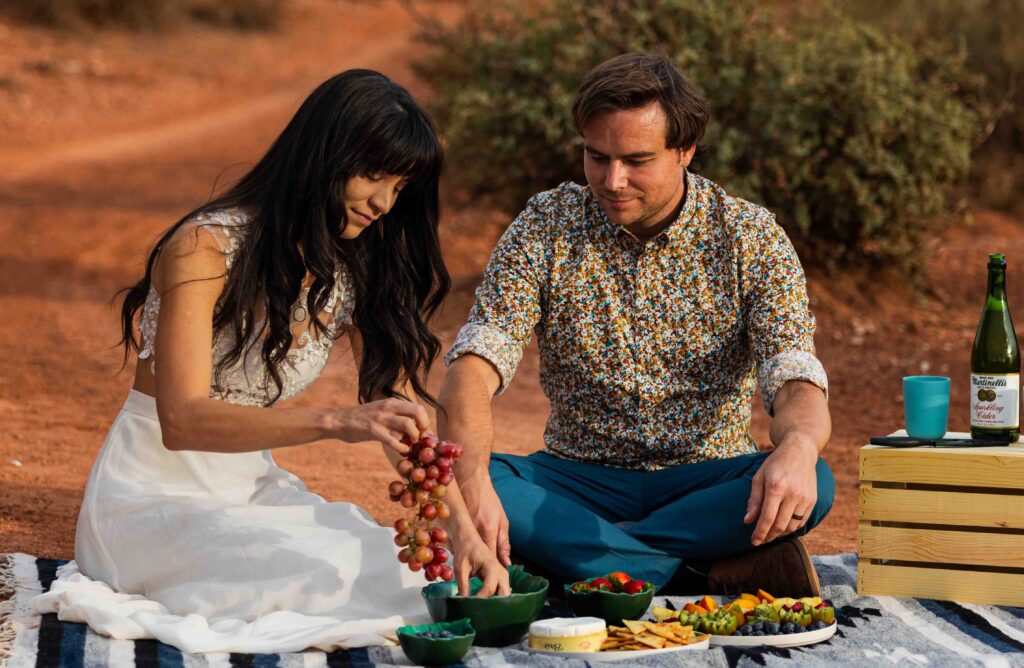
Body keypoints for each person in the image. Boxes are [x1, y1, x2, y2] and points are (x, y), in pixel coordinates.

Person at [33, 69, 508, 654]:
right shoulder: (204, 247)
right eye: (373, 175)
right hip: (151, 497)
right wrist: (338, 422)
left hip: (251, 488)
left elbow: (404, 414)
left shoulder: (351, 265)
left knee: (399, 571)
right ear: (323, 157)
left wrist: (460, 531)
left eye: (400, 186)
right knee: (315, 577)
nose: (385, 203)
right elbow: (181, 422)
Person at [438, 53, 835, 597]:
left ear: (686, 151)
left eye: (637, 160)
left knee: (818, 481)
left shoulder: (750, 237)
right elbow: (475, 362)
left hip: (708, 479)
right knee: (477, 478)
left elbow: (795, 378)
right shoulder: (545, 225)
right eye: (596, 157)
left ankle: (578, 558)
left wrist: (798, 449)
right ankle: (697, 571)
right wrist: (475, 483)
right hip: (576, 479)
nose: (613, 180)